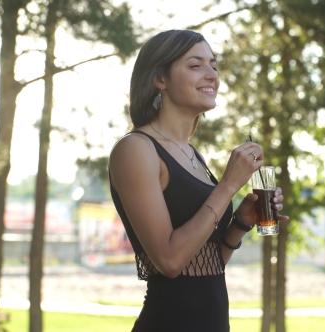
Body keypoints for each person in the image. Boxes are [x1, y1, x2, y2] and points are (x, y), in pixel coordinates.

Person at [108, 30, 289, 331]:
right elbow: (169, 261)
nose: (212, 76)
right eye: (196, 66)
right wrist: (228, 186)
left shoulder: (192, 155)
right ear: (160, 79)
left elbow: (207, 265)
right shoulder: (136, 149)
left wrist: (240, 223)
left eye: (214, 66)